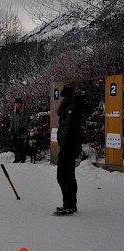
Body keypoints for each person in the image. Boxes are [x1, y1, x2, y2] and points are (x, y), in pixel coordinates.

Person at [54, 87, 85, 216]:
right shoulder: (69, 108)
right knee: (66, 177)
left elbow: (68, 130)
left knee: (65, 177)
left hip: (68, 148)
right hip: (67, 147)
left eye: (62, 97)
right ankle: (69, 204)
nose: (60, 99)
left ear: (66, 97)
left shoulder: (71, 109)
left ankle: (69, 205)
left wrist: (64, 148)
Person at [9, 98, 30, 163]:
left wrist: (23, 127)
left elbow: (27, 120)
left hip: (22, 131)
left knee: (22, 145)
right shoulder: (14, 111)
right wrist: (11, 129)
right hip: (15, 131)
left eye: (19, 103)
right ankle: (17, 158)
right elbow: (12, 121)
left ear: (21, 103)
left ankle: (22, 158)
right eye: (16, 103)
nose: (18, 104)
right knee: (16, 145)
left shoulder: (25, 110)